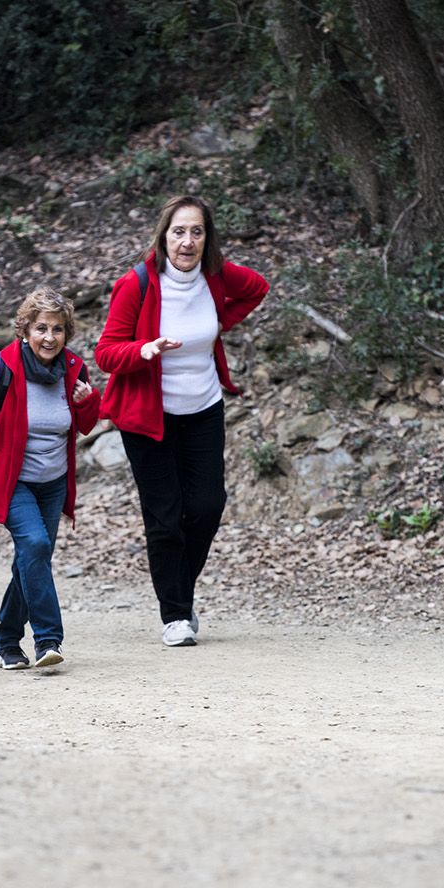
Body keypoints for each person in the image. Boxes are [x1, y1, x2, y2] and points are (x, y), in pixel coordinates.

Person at [92, 194, 269, 647]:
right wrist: (143, 350)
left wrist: (218, 315)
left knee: (208, 505)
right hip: (148, 417)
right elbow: (107, 353)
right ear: (163, 235)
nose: (187, 241)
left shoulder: (214, 278)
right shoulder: (137, 284)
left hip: (204, 408)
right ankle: (175, 614)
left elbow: (257, 288)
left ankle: (179, 590)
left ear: (207, 239)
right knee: (165, 517)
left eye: (196, 232)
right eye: (178, 231)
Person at [0, 287, 101, 671]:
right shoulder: (0, 368)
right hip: (13, 481)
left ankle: (5, 641)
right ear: (25, 331)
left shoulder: (74, 369)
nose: (49, 338)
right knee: (33, 543)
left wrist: (87, 401)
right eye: (41, 329)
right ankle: (49, 638)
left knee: (32, 557)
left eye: (58, 330)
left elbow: (84, 426)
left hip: (54, 482)